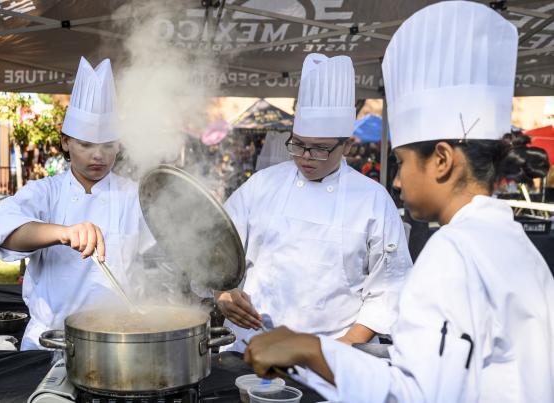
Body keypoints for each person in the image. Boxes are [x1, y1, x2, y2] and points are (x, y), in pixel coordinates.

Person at [243, 2, 554, 402]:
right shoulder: (514, 245)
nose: (397, 178)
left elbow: (413, 395)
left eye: (404, 161)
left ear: (441, 160)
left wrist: (311, 349)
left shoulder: (453, 252)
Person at [215, 53, 412, 352]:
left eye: (320, 149)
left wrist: (337, 352)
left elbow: (389, 289)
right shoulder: (262, 184)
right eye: (298, 144)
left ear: (347, 145)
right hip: (250, 348)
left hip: (331, 355)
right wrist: (224, 293)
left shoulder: (373, 200)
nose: (305, 157)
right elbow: (216, 247)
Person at [0, 57, 154, 350]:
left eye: (107, 145)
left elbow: (169, 255)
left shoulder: (135, 196)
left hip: (120, 344)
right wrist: (62, 233)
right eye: (86, 145)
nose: (98, 156)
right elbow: (2, 228)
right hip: (50, 342)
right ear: (65, 142)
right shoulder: (45, 192)